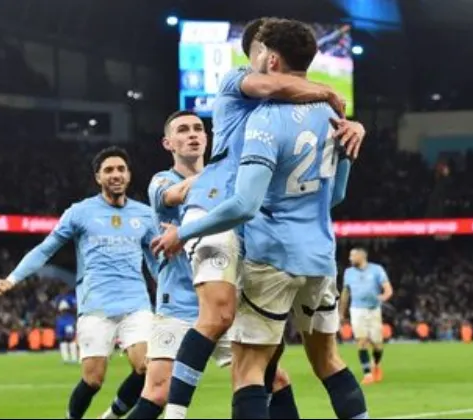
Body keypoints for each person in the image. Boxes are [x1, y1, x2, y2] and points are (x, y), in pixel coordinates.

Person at [153, 18, 368, 420]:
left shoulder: (265, 119)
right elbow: (336, 195)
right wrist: (336, 103)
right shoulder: (333, 117)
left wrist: (183, 232)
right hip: (320, 255)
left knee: (249, 368)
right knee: (328, 361)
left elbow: (245, 205)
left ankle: (175, 412)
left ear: (269, 58)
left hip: (270, 250)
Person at [128, 110, 299, 419]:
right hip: (180, 303)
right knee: (158, 391)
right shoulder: (162, 181)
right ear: (168, 143)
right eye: (183, 130)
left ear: (207, 139)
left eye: (197, 128)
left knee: (274, 380)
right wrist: (229, 168)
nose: (192, 134)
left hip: (224, 302)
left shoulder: (230, 185)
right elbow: (177, 193)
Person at [0, 146, 158, 420]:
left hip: (136, 304)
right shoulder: (80, 212)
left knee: (147, 367)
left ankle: (110, 417)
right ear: (98, 177)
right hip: (96, 306)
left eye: (121, 169)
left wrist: (169, 293)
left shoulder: (145, 215)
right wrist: (12, 279)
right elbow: (46, 249)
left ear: (129, 175)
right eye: (108, 170)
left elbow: (154, 261)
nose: (115, 174)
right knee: (93, 379)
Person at [339, 247, 393, 384]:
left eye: (352, 256)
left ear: (361, 256)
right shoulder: (348, 272)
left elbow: (388, 289)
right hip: (357, 310)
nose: (350, 258)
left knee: (377, 344)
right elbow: (345, 292)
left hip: (373, 310)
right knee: (361, 341)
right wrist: (341, 312)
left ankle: (376, 365)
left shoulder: (376, 269)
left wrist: (383, 297)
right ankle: (367, 374)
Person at [55, 288, 79, 364]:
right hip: (63, 320)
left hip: (69, 320)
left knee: (70, 339)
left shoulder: (70, 297)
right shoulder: (59, 298)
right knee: (63, 340)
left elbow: (75, 308)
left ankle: (73, 358)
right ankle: (66, 358)